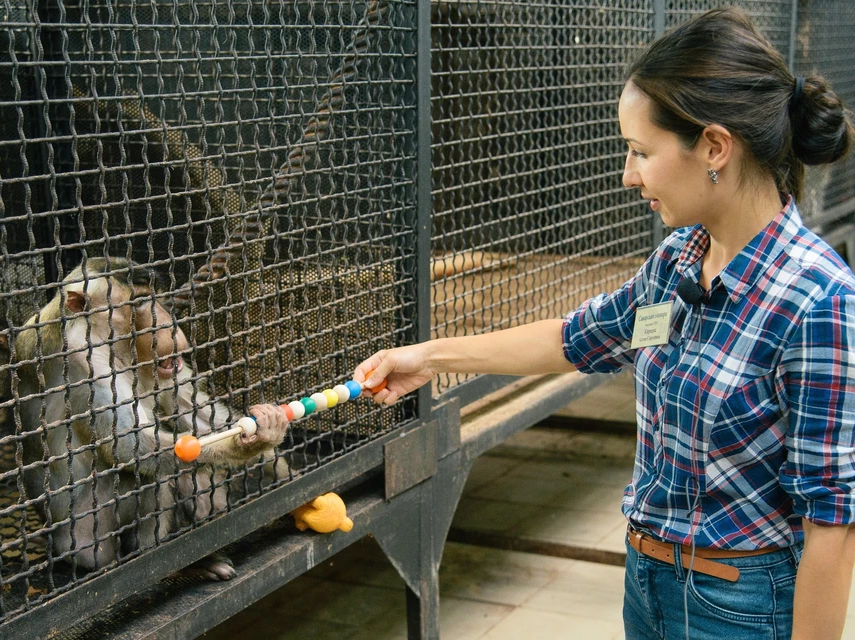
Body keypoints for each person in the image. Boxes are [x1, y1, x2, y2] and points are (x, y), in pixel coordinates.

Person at [353, 8, 855, 640]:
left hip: (741, 606)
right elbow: (578, 339)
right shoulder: (678, 264)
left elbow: (831, 525)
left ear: (715, 148)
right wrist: (427, 358)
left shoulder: (817, 302)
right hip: (646, 582)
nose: (628, 174)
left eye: (642, 151)